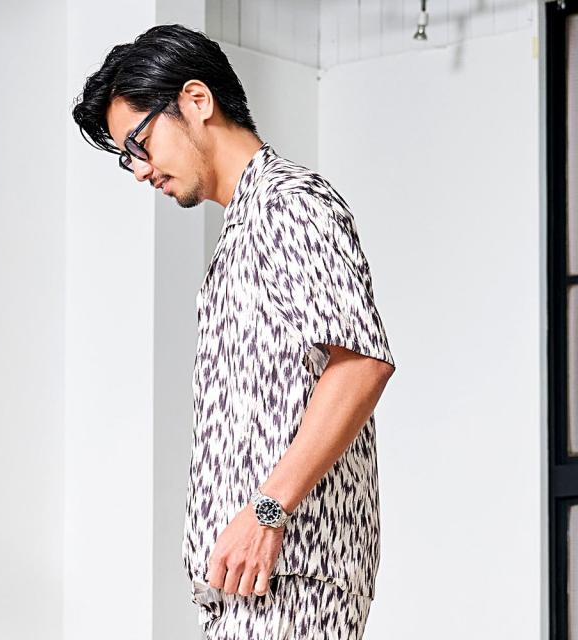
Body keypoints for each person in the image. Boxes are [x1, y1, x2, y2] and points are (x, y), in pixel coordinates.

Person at [72, 23, 397, 640]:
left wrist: (267, 512)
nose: (138, 170)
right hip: (248, 583)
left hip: (292, 573)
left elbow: (360, 363)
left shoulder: (289, 203)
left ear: (197, 101)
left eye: (140, 143)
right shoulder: (243, 229)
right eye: (126, 157)